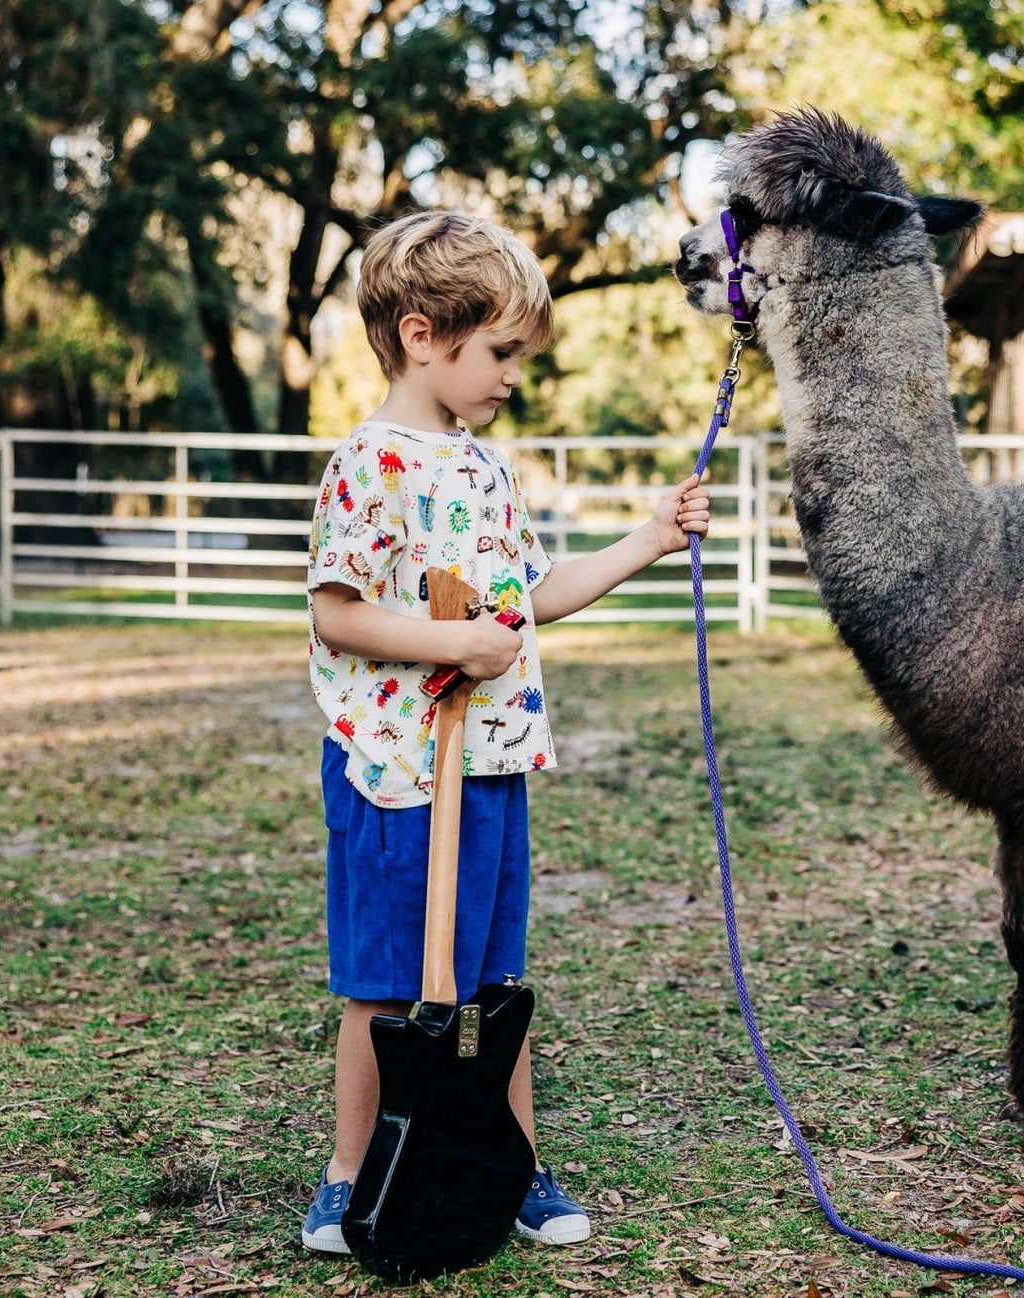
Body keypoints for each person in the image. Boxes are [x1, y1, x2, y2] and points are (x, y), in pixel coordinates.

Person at [300, 210, 711, 1253]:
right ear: (422, 333)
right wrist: (454, 643)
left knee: (493, 979)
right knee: (385, 984)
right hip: (394, 769)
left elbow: (533, 592)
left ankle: (510, 1162)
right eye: (499, 352)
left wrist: (649, 539)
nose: (511, 375)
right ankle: (350, 1173)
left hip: (486, 765)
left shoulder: (484, 469)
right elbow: (336, 610)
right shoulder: (369, 463)